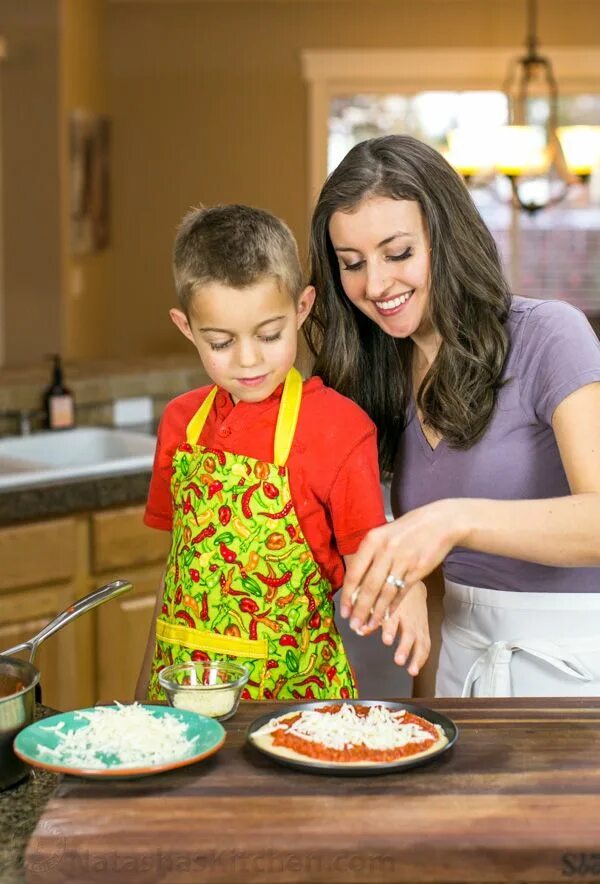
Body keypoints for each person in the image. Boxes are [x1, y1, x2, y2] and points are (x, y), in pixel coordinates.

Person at [305, 134, 600, 698]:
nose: (376, 284)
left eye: (398, 253)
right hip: (462, 669)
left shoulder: (549, 336)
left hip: (577, 669)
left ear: (447, 238)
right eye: (352, 264)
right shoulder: (381, 374)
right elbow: (435, 594)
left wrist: (453, 520)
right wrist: (426, 713)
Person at [136, 203, 424, 703]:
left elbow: (372, 568)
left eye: (270, 335)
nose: (248, 360)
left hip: (293, 700)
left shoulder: (339, 428)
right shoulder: (181, 422)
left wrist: (408, 589)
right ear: (186, 328)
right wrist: (142, 698)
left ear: (302, 308)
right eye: (221, 342)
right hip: (181, 697)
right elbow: (175, 578)